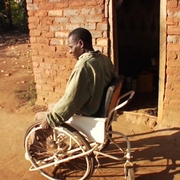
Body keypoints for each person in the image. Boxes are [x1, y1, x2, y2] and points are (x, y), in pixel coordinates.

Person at [40, 27, 118, 129]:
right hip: (99, 106)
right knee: (53, 106)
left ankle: (42, 143)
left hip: (89, 112)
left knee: (42, 116)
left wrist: (50, 119)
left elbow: (71, 100)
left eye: (71, 47)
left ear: (81, 44)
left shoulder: (84, 66)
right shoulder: (104, 59)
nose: (69, 51)